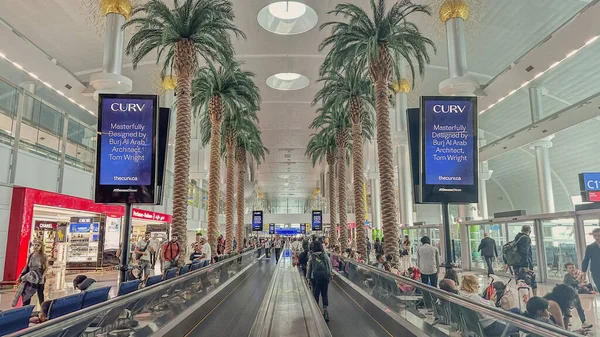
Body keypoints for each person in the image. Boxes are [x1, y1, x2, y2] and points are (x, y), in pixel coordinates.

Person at [306, 240, 332, 321]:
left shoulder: (312, 256)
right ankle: (325, 311)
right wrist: (330, 275)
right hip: (325, 278)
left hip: (315, 278)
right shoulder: (325, 255)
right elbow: (329, 265)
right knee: (324, 294)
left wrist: (308, 278)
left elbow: (309, 268)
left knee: (315, 294)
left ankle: (316, 311)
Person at [16, 240, 47, 306]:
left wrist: (43, 277)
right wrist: (20, 275)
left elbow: (46, 268)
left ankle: (43, 309)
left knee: (40, 294)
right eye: (35, 245)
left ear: (41, 247)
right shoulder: (31, 255)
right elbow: (26, 266)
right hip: (30, 277)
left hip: (39, 278)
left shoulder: (43, 256)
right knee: (27, 293)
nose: (36, 246)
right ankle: (25, 308)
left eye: (38, 245)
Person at [512, 225, 537, 296]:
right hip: (524, 265)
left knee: (520, 284)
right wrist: (526, 265)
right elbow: (524, 252)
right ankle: (533, 299)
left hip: (516, 265)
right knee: (531, 283)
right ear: (530, 231)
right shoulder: (526, 238)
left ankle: (522, 300)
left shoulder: (517, 238)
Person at [582, 228, 600, 292]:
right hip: (596, 272)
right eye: (595, 236)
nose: (597, 237)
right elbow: (586, 260)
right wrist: (583, 272)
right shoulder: (590, 247)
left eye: (598, 235)